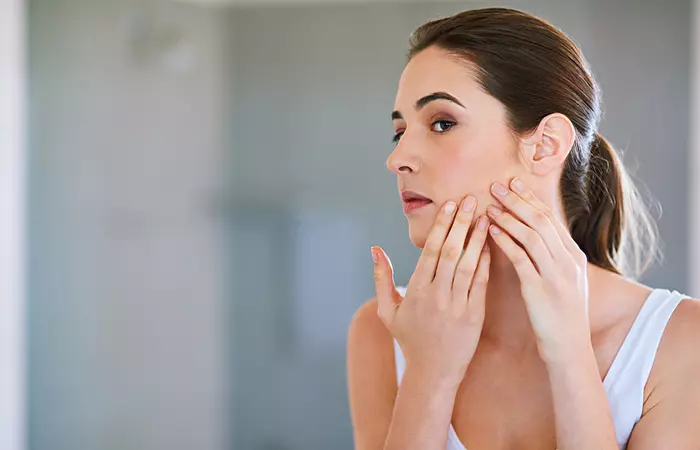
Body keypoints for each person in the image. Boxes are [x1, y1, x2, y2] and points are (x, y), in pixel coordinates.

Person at [346, 7, 700, 450]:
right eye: (400, 131)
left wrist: (569, 353)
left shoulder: (681, 342)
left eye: (441, 124)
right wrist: (427, 375)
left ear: (545, 146)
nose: (397, 159)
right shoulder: (382, 334)